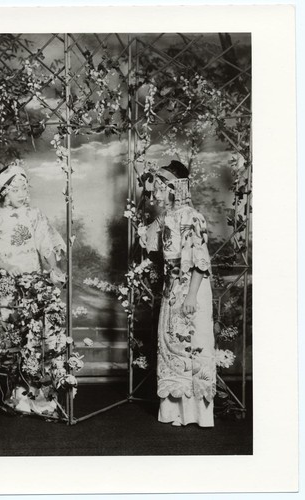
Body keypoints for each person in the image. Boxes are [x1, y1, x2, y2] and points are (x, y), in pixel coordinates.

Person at [0, 161, 66, 415]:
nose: (25, 193)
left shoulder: (35, 214)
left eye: (25, 188)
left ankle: (41, 395)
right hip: (9, 286)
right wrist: (5, 264)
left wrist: (53, 268)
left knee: (40, 334)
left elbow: (47, 244)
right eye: (18, 188)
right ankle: (18, 393)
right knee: (15, 336)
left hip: (35, 284)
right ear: (5, 192)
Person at [140, 160, 216, 427]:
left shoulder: (192, 216)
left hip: (192, 287)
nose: (155, 194)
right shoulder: (168, 217)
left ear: (174, 188)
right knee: (171, 344)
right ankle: (175, 412)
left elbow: (200, 261)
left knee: (193, 344)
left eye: (160, 187)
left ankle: (197, 413)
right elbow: (150, 246)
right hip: (172, 287)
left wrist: (192, 297)